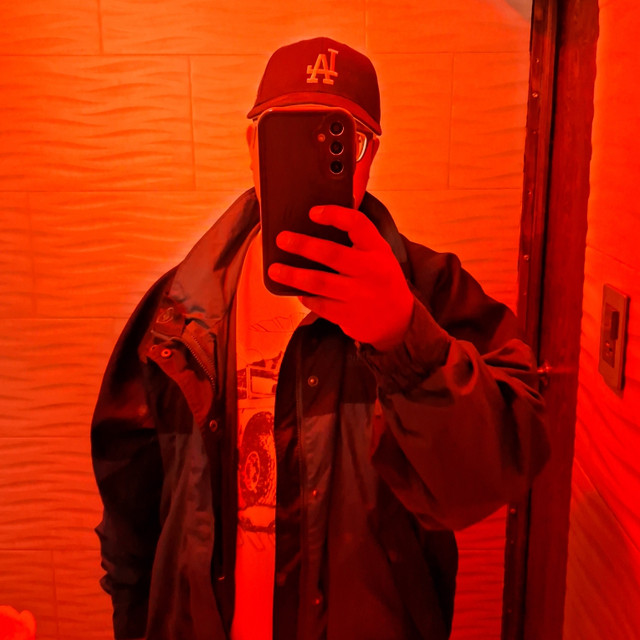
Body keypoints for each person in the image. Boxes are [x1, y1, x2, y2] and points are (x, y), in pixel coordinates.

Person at [91, 37, 549, 640]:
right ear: (252, 147)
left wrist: (404, 337)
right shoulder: (179, 308)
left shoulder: (431, 292)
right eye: (285, 135)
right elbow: (130, 511)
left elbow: (493, 476)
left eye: (340, 139)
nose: (315, 159)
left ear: (369, 155)